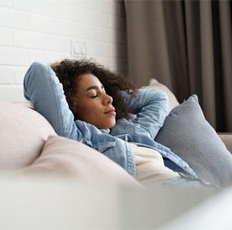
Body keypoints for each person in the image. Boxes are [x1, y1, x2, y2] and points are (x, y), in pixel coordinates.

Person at [23, 59, 212, 187]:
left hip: (194, 186)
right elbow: (39, 73)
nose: (108, 99)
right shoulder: (78, 136)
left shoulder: (133, 131)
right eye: (93, 95)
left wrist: (112, 95)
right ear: (71, 105)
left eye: (106, 91)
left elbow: (158, 98)